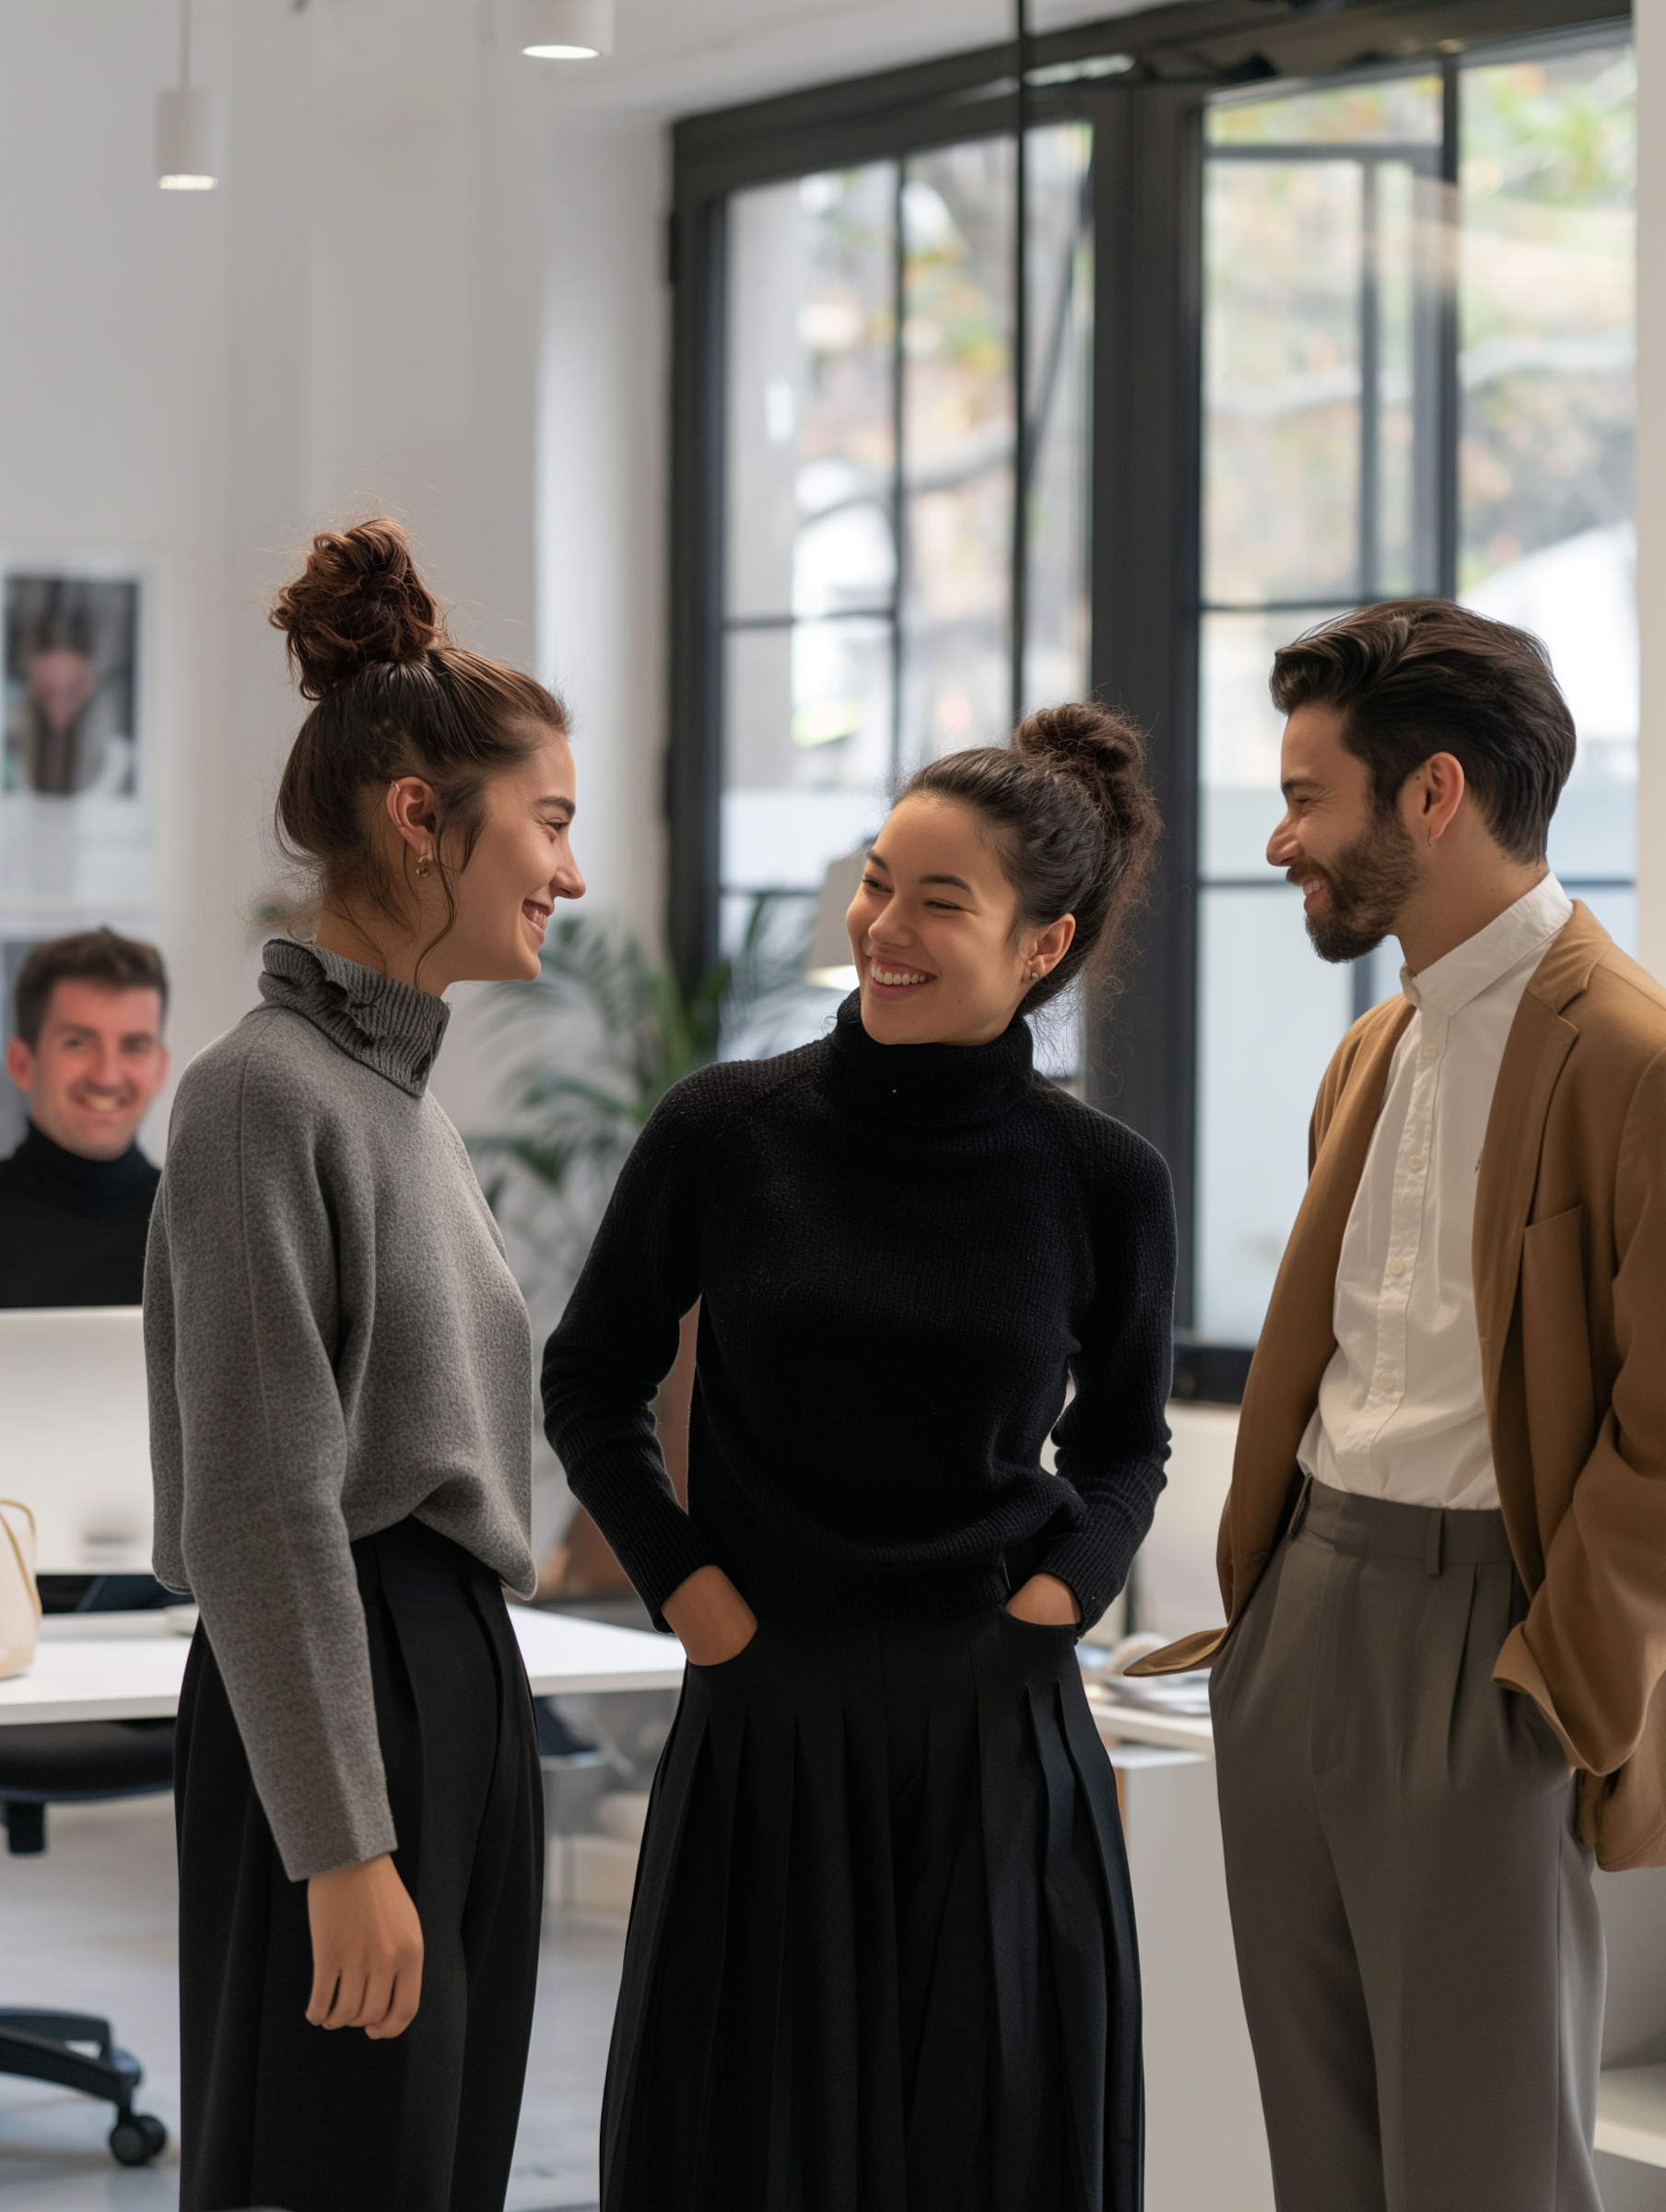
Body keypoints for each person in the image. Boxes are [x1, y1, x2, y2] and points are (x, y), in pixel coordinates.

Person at [545, 701, 1176, 2212]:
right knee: (751, 2156)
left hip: (995, 1733)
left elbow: (1120, 1446)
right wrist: (695, 1599)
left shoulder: (1100, 1177)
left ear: (1043, 945)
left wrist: (1048, 1615)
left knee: (991, 2152)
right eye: (876, 878)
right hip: (765, 1713)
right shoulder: (723, 1129)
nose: (880, 923)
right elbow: (588, 1380)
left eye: (936, 899)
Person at [1134, 598, 1666, 2212]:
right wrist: (1268, 1616)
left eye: (1308, 794)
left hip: (1482, 1651)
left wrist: (1555, 1675)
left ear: (1428, 796)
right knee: (1323, 2161)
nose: (1283, 836)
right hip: (1299, 1628)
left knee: (1484, 2169)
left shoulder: (1627, 1055)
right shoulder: (1371, 1048)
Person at [144, 519, 584, 2212]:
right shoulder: (264, 1097)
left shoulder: (394, 1103)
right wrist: (339, 1840)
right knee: (339, 2169)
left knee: (430, 2166)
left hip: (445, 1677)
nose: (566, 872)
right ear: (422, 820)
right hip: (347, 1692)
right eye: (545, 822)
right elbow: (263, 1508)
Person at [2, 928, 172, 1611]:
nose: (108, 1073)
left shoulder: (211, 1222)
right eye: (78, 1042)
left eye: (132, 1046)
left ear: (159, 1066)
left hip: (173, 1607)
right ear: (22, 1062)